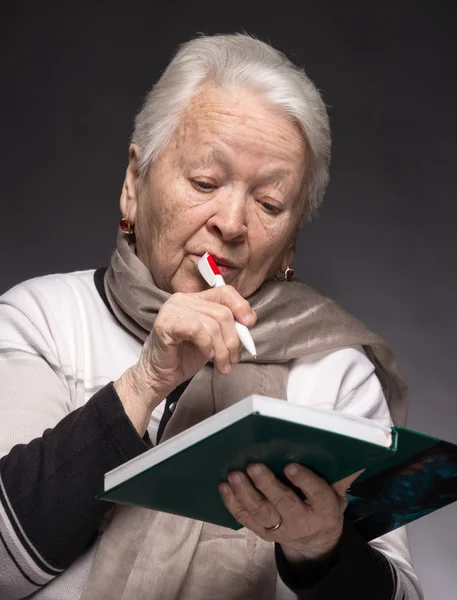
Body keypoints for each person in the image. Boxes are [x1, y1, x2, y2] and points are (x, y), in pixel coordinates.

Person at [0, 33, 424, 600]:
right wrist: (146, 380)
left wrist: (320, 548)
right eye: (205, 182)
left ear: (290, 245)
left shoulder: (335, 373)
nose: (232, 222)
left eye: (270, 204)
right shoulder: (43, 319)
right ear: (133, 184)